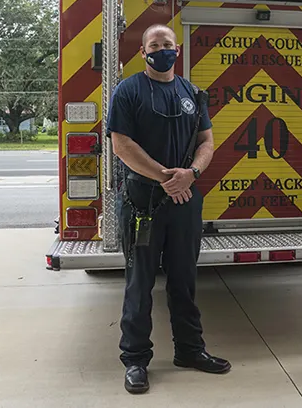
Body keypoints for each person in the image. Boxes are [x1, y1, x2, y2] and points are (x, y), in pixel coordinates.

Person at [106, 24, 231, 395]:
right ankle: (135, 360)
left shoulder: (192, 93)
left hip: (185, 200)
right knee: (140, 283)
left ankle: (189, 350)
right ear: (143, 52)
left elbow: (207, 141)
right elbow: (121, 145)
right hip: (142, 202)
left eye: (167, 44)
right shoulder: (128, 90)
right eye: (154, 45)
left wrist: (191, 174)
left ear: (178, 50)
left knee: (184, 280)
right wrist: (166, 177)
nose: (161, 49)